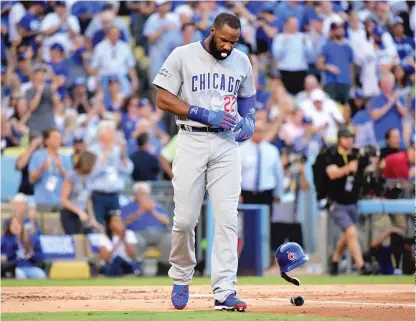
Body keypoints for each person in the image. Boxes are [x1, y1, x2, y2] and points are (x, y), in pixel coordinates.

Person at [153, 12, 256, 311]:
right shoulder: (183, 55)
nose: (228, 46)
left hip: (226, 144)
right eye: (224, 39)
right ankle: (182, 276)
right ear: (212, 31)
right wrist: (200, 112)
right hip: (191, 138)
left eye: (234, 41)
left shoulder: (241, 60)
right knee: (185, 220)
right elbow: (163, 98)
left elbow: (248, 97)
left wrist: (249, 119)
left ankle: (224, 291)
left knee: (226, 219)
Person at [325, 127, 373, 276]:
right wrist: (348, 168)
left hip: (352, 202)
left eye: (351, 137)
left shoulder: (356, 154)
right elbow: (331, 173)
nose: (349, 140)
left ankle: (334, 259)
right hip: (337, 203)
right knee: (351, 232)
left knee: (347, 235)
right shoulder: (332, 155)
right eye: (346, 137)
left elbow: (370, 166)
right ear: (340, 139)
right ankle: (361, 266)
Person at [239, 119, 284, 254]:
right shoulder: (241, 150)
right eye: (257, 131)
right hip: (247, 193)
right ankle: (248, 254)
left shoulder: (271, 150)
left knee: (266, 226)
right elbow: (236, 174)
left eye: (262, 131)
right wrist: (237, 194)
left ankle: (265, 255)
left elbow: (278, 173)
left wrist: (278, 193)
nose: (259, 134)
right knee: (247, 225)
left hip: (266, 193)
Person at [88, 121, 133, 225]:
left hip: (114, 195)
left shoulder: (117, 150)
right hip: (98, 195)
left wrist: (123, 155)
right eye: (110, 132)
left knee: (115, 225)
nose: (113, 134)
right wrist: (106, 153)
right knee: (98, 225)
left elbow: (128, 170)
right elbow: (92, 172)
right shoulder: (93, 150)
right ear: (101, 134)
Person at [121, 182, 171, 270]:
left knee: (170, 239)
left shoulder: (155, 206)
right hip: (138, 233)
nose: (143, 196)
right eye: (140, 194)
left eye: (145, 194)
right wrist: (140, 211)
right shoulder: (128, 207)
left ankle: (164, 266)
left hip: (158, 233)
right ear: (134, 195)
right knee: (134, 240)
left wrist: (153, 211)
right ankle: (137, 267)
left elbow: (167, 221)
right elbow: (124, 222)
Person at [60, 151, 103, 235]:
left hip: (84, 213)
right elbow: (64, 200)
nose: (95, 167)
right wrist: (79, 212)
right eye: (94, 164)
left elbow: (88, 198)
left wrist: (92, 219)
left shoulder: (90, 176)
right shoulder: (71, 176)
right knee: (76, 240)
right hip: (70, 213)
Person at [29, 128, 72, 210]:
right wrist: (42, 169)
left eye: (59, 138)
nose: (58, 140)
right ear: (46, 140)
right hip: (42, 200)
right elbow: (31, 179)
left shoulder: (66, 157)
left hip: (61, 200)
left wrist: (61, 168)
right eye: (55, 138)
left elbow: (71, 179)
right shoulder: (37, 156)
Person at [1, 215, 46, 279]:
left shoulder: (30, 239)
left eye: (18, 224)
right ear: (9, 226)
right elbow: (4, 256)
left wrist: (31, 254)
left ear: (22, 226)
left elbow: (41, 256)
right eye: (13, 224)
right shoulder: (4, 240)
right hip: (13, 267)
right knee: (20, 275)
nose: (15, 226)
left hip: (28, 266)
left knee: (41, 274)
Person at [369, 72, 407, 147]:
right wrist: (391, 101)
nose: (387, 85)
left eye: (389, 82)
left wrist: (396, 102)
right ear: (381, 84)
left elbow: (404, 114)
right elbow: (375, 116)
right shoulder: (376, 98)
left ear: (393, 84)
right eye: (385, 82)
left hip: (398, 138)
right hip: (382, 138)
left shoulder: (399, 97)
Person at [99, 213, 141, 277]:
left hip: (126, 263)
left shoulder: (129, 234)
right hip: (111, 264)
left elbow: (131, 254)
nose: (118, 223)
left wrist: (123, 238)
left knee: (128, 263)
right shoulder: (104, 237)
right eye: (115, 221)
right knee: (117, 259)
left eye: (120, 221)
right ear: (109, 225)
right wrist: (117, 242)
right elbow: (105, 258)